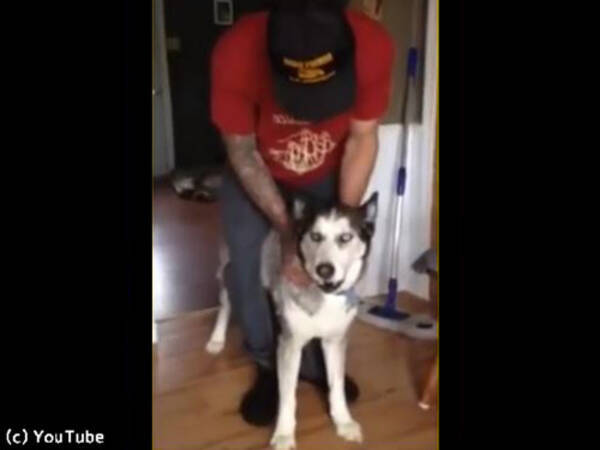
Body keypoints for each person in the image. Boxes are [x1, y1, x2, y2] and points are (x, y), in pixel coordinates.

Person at [210, 0, 394, 426]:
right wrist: (288, 232)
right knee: (246, 264)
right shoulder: (236, 50)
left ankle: (312, 359)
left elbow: (362, 138)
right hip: (255, 167)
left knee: (324, 261)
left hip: (326, 171)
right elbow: (242, 150)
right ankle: (266, 364)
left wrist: (345, 225)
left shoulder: (372, 45)